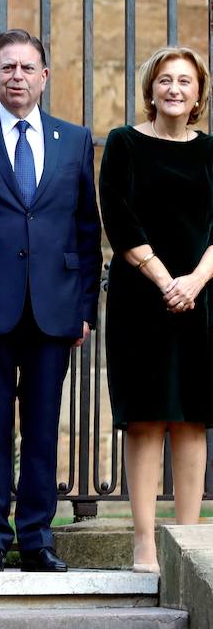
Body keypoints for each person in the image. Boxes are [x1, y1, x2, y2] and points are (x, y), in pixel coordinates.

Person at [0, 29, 102, 573]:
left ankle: (36, 538)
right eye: (6, 67)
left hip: (54, 310)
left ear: (44, 77)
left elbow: (87, 230)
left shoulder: (74, 140)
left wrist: (84, 309)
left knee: (41, 429)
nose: (17, 76)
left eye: (27, 67)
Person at [98, 46, 213, 574]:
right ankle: (145, 542)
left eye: (184, 82)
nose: (174, 89)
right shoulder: (123, 143)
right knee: (145, 419)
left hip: (202, 298)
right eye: (165, 80)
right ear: (151, 89)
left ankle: (188, 543)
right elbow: (119, 218)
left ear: (198, 94)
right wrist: (168, 281)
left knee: (191, 420)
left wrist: (195, 281)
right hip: (141, 297)